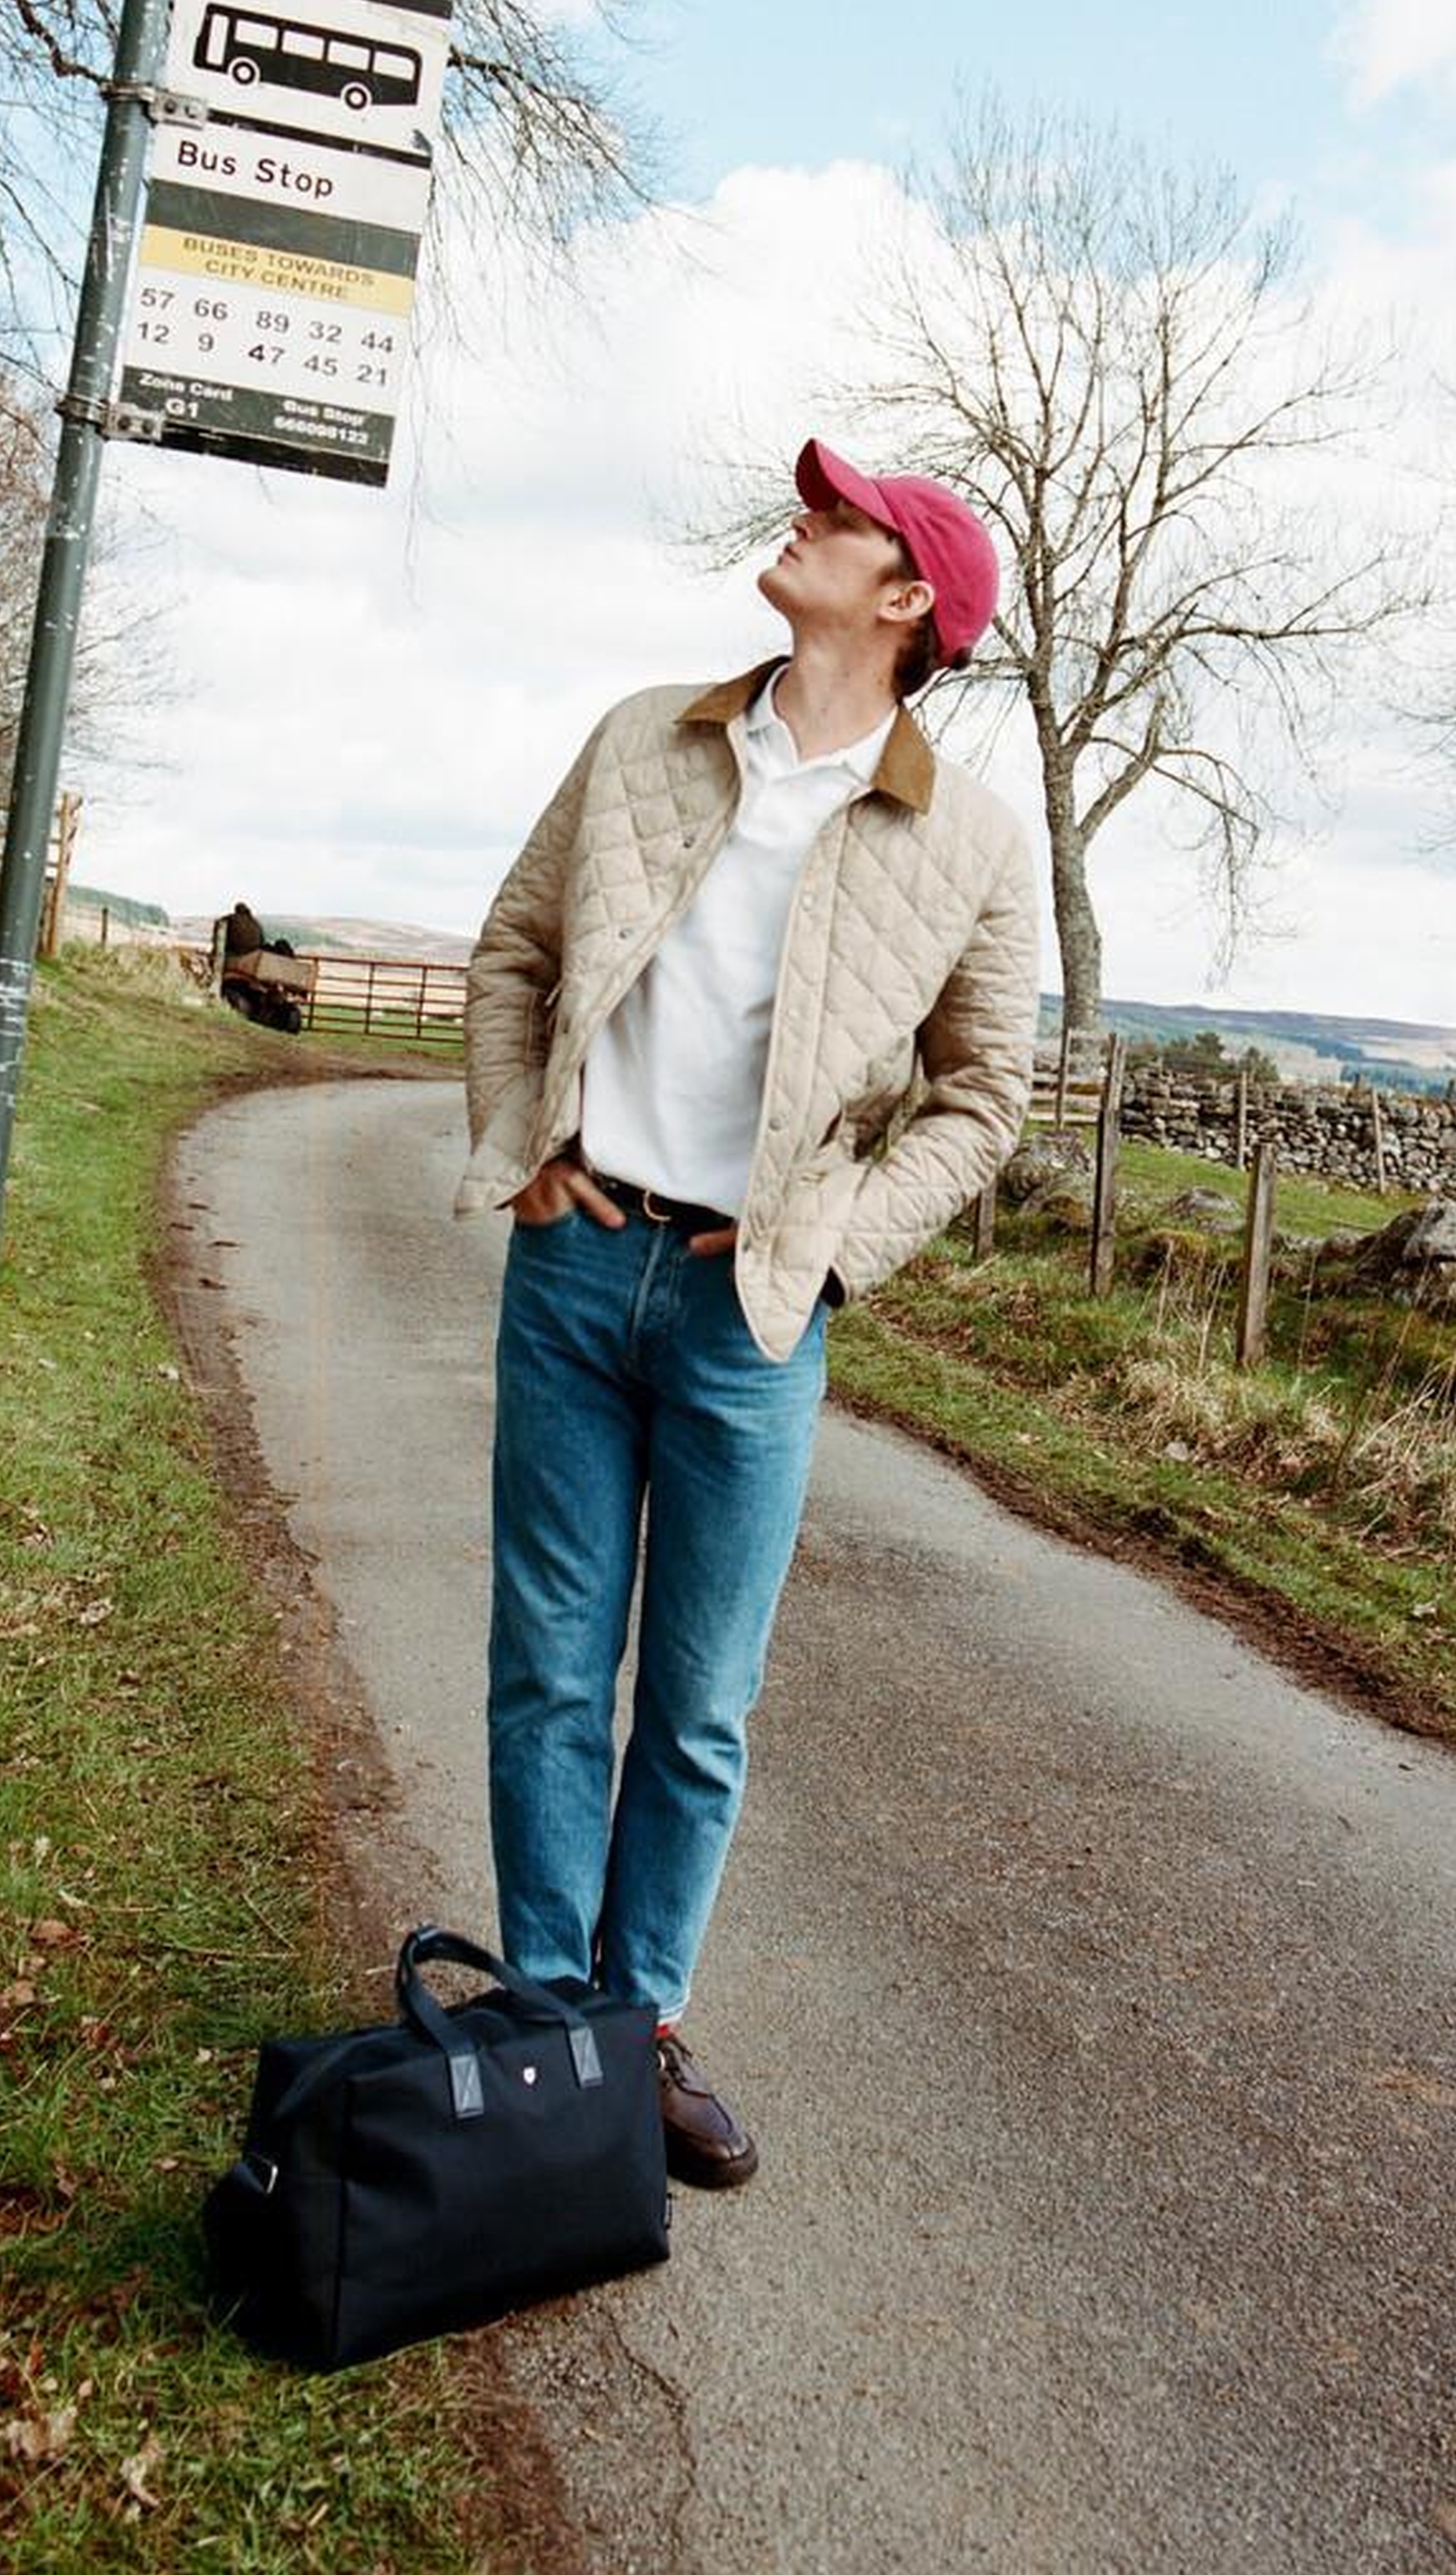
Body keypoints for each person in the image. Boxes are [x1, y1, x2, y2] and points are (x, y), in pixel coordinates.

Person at [456, 438, 1038, 2187]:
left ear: (905, 597)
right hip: (575, 1265)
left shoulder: (975, 842)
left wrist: (842, 1242)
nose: (805, 524)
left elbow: (984, 1099)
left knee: (697, 1707)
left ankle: (635, 2032)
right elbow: (512, 953)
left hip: (752, 1311)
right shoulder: (646, 735)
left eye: (840, 519)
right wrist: (522, 1149)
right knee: (549, 1669)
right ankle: (548, 2022)